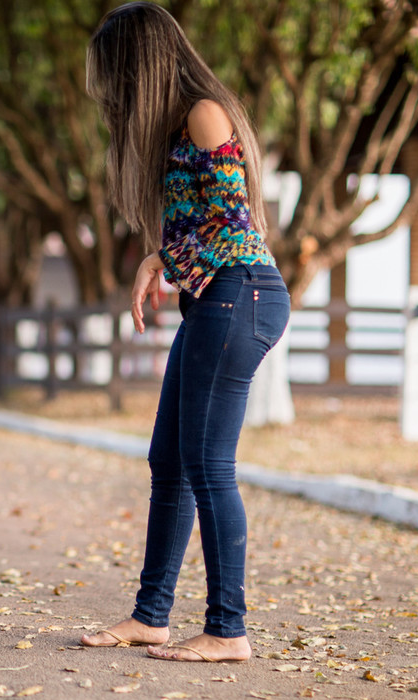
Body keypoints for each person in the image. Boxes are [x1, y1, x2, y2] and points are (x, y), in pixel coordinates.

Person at [80, 2, 290, 662]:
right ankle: (152, 616)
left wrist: (158, 258)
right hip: (218, 301)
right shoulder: (178, 124)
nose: (111, 89)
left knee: (206, 466)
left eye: (117, 72)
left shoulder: (204, 112)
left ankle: (229, 629)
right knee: (168, 462)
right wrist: (159, 256)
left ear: (141, 63)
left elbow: (230, 222)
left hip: (242, 294)